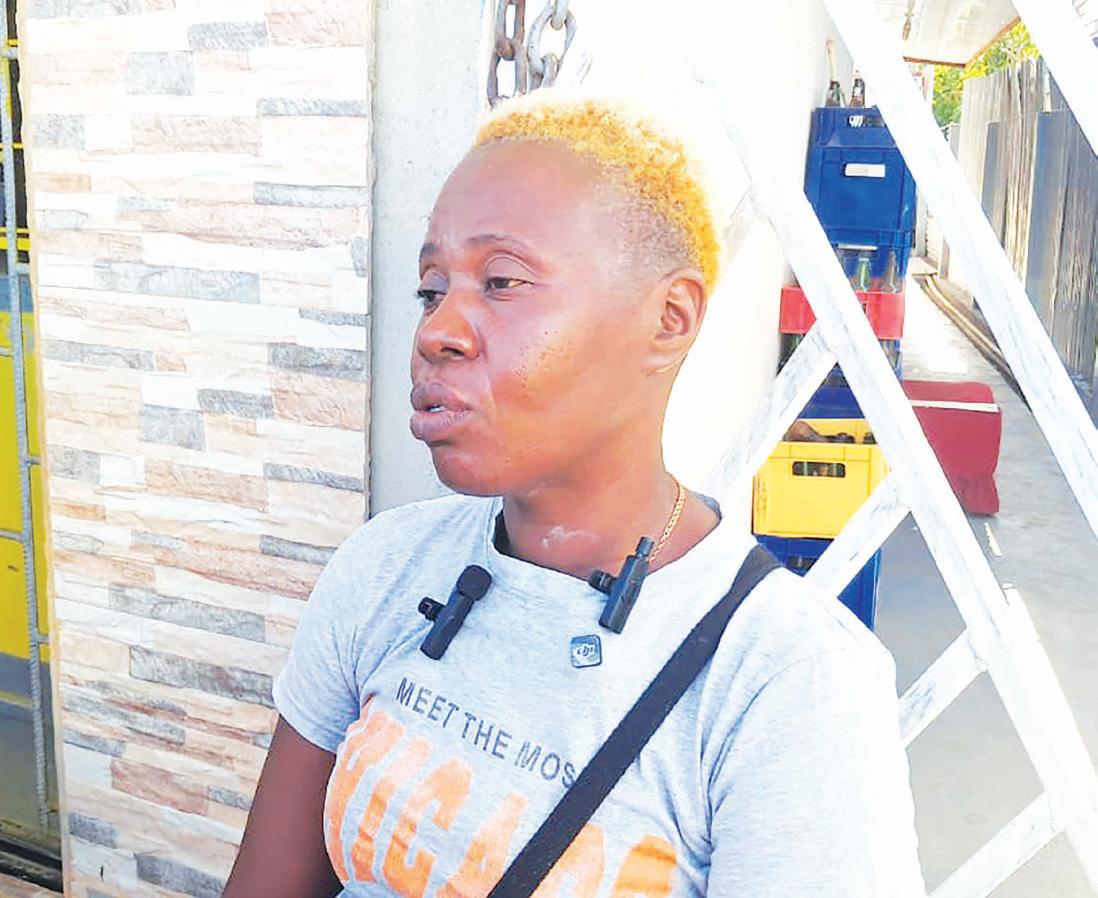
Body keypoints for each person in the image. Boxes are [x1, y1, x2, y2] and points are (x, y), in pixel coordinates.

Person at [224, 93, 926, 898]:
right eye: (432, 289)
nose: (437, 331)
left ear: (669, 319)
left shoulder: (790, 684)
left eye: (501, 281)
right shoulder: (386, 566)